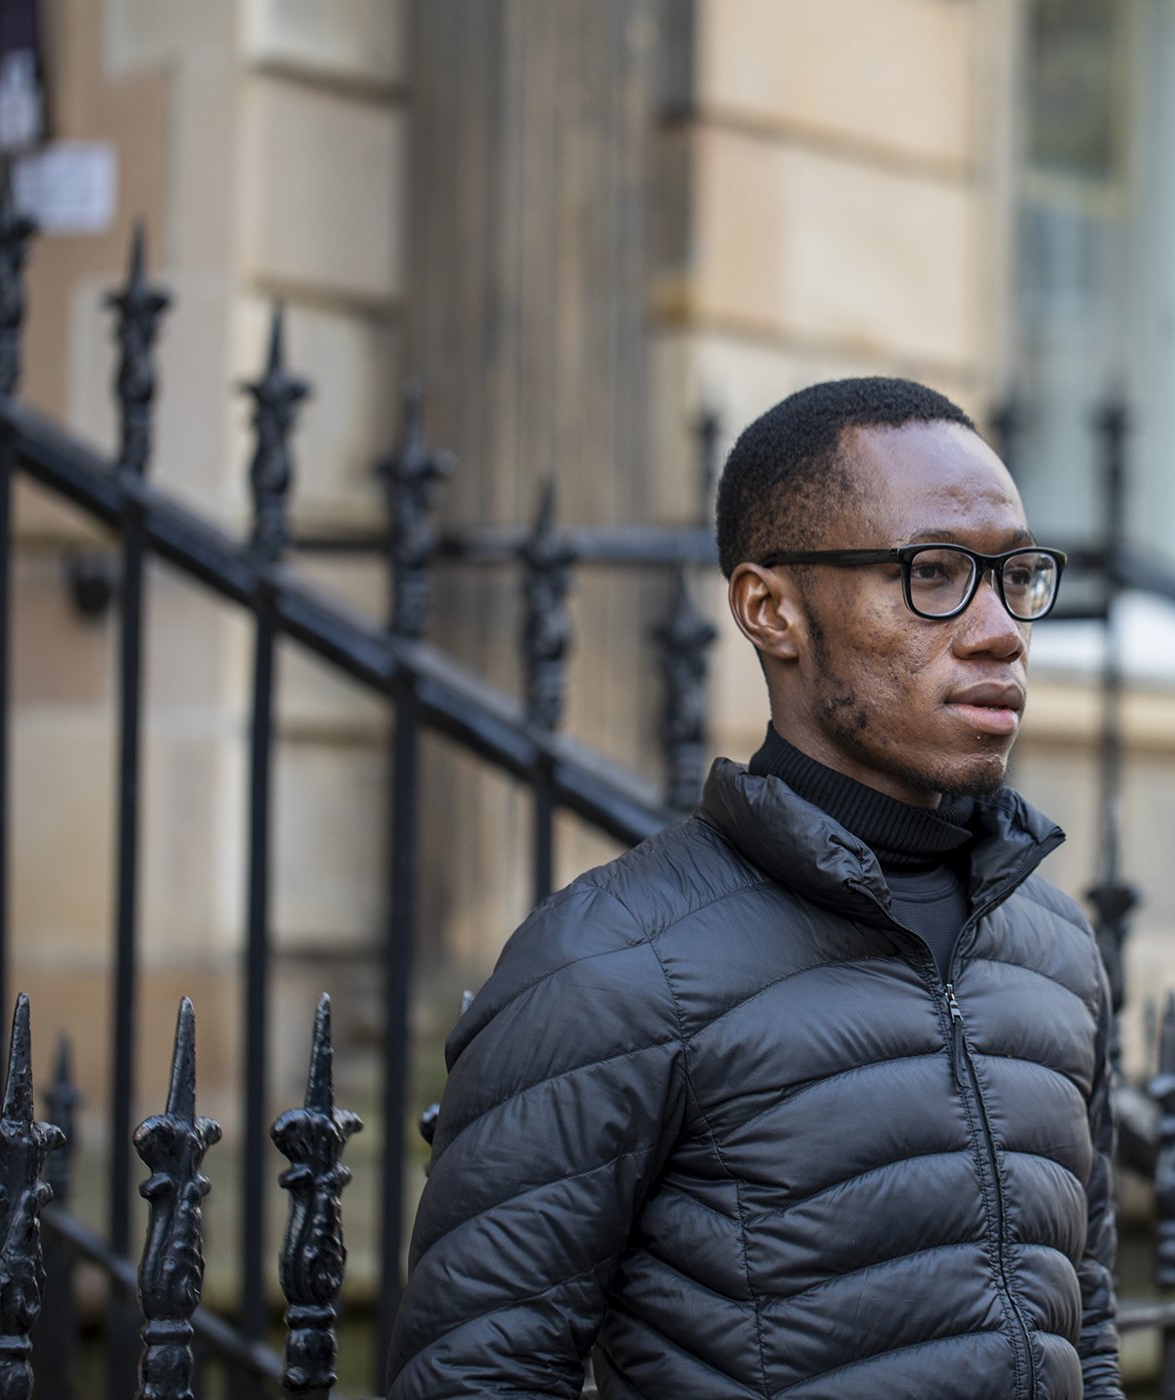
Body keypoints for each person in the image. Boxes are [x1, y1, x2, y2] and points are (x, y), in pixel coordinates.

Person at [385, 377, 1121, 1400]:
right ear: (770, 608)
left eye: (1016, 576)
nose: (1000, 629)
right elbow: (475, 1378)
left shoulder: (1055, 948)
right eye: (936, 572)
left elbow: (1086, 1335)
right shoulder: (610, 964)